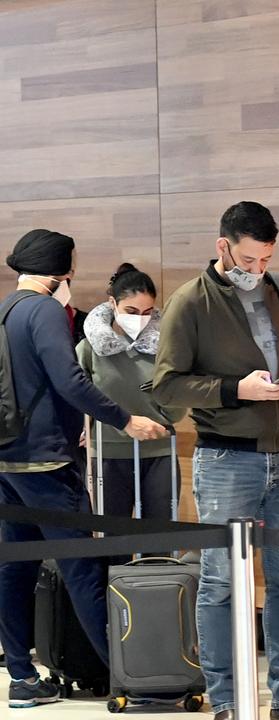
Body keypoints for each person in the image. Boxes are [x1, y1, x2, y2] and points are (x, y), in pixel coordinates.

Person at [154, 201, 279, 720]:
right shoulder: (189, 303)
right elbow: (165, 386)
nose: (256, 270)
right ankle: (226, 702)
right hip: (225, 460)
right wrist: (233, 390)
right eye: (247, 259)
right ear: (223, 247)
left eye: (265, 260)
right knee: (219, 583)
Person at [0, 230, 166, 709]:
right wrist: (124, 418)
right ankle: (127, 677)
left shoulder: (6, 309)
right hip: (48, 460)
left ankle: (21, 678)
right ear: (61, 272)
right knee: (83, 569)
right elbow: (68, 378)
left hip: (8, 460)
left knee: (15, 566)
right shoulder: (45, 310)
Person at [77, 263, 186, 520]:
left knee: (159, 542)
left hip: (159, 452)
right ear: (112, 303)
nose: (139, 318)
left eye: (147, 311)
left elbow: (178, 407)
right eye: (131, 310)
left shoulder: (167, 348)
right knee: (113, 542)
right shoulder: (89, 349)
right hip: (107, 455)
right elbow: (77, 396)